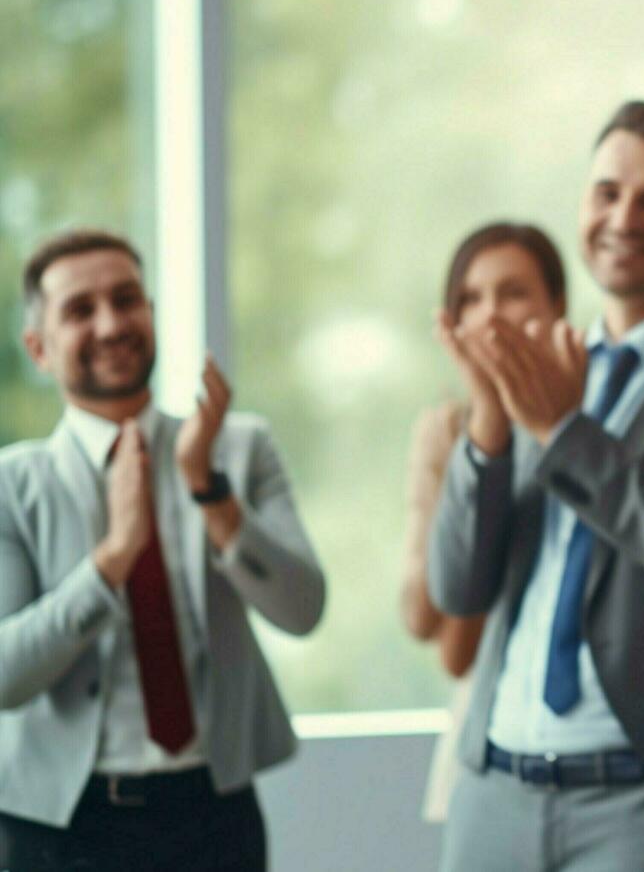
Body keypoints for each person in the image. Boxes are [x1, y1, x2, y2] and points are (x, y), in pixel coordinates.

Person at [427, 100, 644, 871]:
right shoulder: (533, 366)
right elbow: (457, 589)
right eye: (607, 192)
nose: (623, 217)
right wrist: (491, 425)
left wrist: (567, 437)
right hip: (492, 786)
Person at [0, 229, 326, 872]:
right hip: (60, 827)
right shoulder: (13, 485)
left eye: (127, 300)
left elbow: (302, 608)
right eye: (80, 309)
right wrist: (112, 559)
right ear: (38, 348)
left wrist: (210, 491)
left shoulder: (239, 448)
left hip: (211, 816)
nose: (111, 322)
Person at [400, 221, 568, 822]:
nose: (491, 315)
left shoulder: (588, 419)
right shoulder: (447, 430)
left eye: (514, 292)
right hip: (484, 725)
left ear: (558, 306)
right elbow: (434, 628)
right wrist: (481, 438)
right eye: (471, 298)